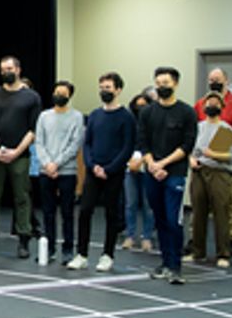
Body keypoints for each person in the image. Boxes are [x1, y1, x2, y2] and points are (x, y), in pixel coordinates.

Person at [68, 72, 135, 272]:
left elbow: (127, 147)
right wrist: (91, 165)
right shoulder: (96, 115)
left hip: (113, 173)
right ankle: (81, 254)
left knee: (111, 213)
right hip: (93, 171)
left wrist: (110, 168)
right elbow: (87, 144)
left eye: (108, 88)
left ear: (118, 90)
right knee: (85, 210)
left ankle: (107, 255)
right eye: (102, 87)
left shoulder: (126, 117)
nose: (104, 91)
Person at [137, 67, 197, 284]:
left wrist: (164, 163)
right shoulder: (147, 113)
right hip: (152, 172)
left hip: (175, 173)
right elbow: (143, 141)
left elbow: (187, 144)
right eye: (158, 83)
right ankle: (164, 262)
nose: (162, 87)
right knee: (160, 219)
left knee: (174, 220)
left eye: (166, 83)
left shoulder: (187, 112)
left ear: (176, 84)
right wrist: (152, 164)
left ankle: (175, 266)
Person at [0, 56, 42, 258]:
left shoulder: (31, 97)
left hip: (20, 156)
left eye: (9, 68)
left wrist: (16, 151)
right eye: (2, 69)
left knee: (22, 199)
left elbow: (33, 130)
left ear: (18, 69)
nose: (6, 72)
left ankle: (24, 240)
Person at [194, 67, 232, 252]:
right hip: (201, 161)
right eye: (211, 79)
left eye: (218, 79)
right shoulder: (200, 104)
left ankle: (230, 239)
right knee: (199, 206)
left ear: (226, 81)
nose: (214, 82)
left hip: (226, 157)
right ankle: (196, 244)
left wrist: (227, 132)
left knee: (228, 204)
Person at [188, 91, 232, 268]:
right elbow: (190, 149)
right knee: (198, 212)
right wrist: (191, 160)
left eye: (215, 103)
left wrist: (213, 154)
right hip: (199, 172)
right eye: (208, 103)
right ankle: (198, 251)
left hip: (219, 173)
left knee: (221, 213)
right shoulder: (198, 127)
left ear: (221, 107)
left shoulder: (225, 129)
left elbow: (231, 155)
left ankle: (223, 254)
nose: (211, 105)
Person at [35, 79, 83, 264]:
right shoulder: (44, 116)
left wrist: (57, 163)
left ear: (69, 96)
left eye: (63, 93)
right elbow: (39, 142)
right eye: (57, 92)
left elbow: (75, 144)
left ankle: (68, 250)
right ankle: (50, 249)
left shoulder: (77, 117)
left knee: (68, 212)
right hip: (45, 171)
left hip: (67, 171)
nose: (59, 96)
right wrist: (48, 164)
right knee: (47, 212)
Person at [121, 90, 156, 252]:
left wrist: (141, 160)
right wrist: (129, 162)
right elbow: (123, 144)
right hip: (130, 167)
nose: (140, 108)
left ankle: (147, 237)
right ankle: (130, 235)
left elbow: (154, 145)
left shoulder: (154, 123)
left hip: (148, 166)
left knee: (149, 205)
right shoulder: (129, 122)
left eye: (144, 105)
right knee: (130, 203)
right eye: (137, 106)